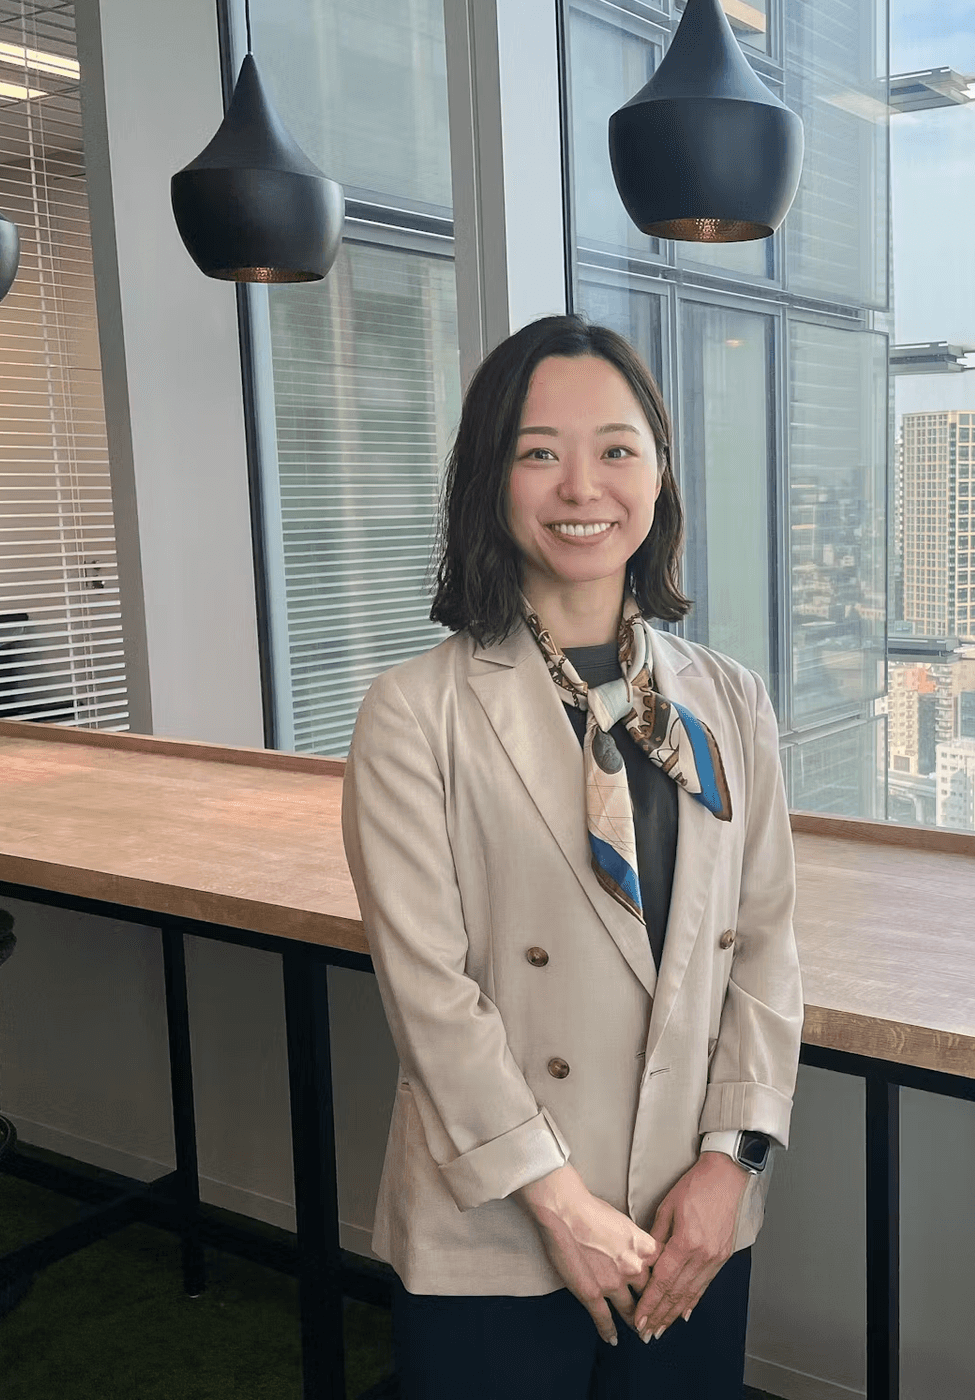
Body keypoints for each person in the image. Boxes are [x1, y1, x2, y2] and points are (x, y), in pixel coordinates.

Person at [341, 314, 802, 1397]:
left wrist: (730, 1164)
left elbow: (768, 945)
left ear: (658, 476)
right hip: (501, 1214)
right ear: (492, 481)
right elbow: (430, 996)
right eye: (539, 451)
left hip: (685, 1221)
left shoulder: (727, 699)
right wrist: (559, 1201)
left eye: (616, 449)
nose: (581, 486)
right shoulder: (416, 712)